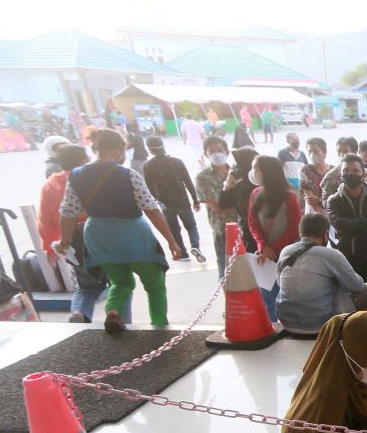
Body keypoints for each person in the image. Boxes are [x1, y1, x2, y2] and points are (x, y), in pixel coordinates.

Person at [55, 129, 182, 332]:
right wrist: (172, 241)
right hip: (133, 235)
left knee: (120, 282)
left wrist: (65, 240)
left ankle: (113, 311)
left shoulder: (76, 175)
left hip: (99, 236)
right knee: (154, 285)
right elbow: (151, 209)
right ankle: (160, 327)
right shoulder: (128, 174)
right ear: (118, 149)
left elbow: (68, 212)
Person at [39, 144, 134, 324]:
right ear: (84, 159)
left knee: (86, 288)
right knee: (120, 283)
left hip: (74, 244)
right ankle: (119, 321)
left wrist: (51, 246)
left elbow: (44, 220)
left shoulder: (49, 185)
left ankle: (80, 313)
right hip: (105, 238)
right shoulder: (87, 179)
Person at [276, 214, 367, 334]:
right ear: (325, 234)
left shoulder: (285, 251)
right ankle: (361, 332)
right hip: (320, 325)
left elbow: (280, 283)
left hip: (286, 322)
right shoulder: (331, 255)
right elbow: (357, 286)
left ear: (301, 233)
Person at [326, 153, 367, 307]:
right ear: (340, 174)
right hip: (350, 259)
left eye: (355, 170)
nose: (350, 174)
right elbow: (338, 223)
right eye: (346, 171)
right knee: (359, 303)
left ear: (363, 174)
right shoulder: (333, 200)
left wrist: (353, 228)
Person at [248, 155, 302, 320]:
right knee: (268, 297)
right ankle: (271, 327)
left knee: (288, 296)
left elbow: (295, 228)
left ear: (268, 172)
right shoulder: (255, 193)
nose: (254, 172)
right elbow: (252, 223)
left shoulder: (290, 197)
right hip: (265, 256)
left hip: (287, 254)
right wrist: (263, 246)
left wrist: (273, 247)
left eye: (257, 168)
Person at [143, 135, 204, 263]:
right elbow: (188, 182)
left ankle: (183, 253)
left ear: (150, 150)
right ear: (163, 147)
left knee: (174, 229)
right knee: (191, 226)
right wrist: (195, 200)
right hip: (183, 201)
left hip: (165, 204)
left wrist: (157, 200)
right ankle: (195, 246)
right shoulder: (177, 162)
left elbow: (149, 188)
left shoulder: (148, 165)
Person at [195, 136, 234, 277]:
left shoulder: (238, 172)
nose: (216, 154)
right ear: (206, 154)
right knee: (226, 272)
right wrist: (244, 207)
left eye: (219, 150)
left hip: (246, 229)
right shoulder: (203, 177)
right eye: (211, 151)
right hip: (223, 230)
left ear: (227, 152)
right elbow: (217, 207)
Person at [218, 147, 260, 253]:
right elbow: (224, 205)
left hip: (256, 234)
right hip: (248, 234)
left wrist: (229, 182)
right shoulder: (240, 185)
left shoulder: (250, 185)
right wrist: (228, 182)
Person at [299, 137, 331, 214]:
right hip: (314, 215)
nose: (312, 155)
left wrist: (319, 200)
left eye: (316, 151)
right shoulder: (304, 171)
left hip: (332, 215)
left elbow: (337, 199)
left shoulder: (334, 171)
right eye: (310, 151)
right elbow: (311, 199)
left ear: (324, 152)